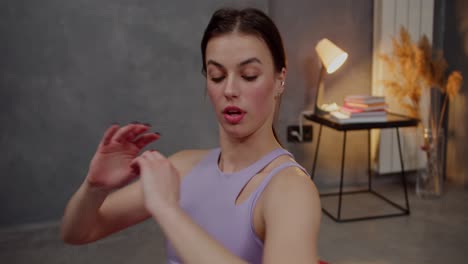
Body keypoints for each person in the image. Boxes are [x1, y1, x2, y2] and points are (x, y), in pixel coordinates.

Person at [61, 7, 321, 264]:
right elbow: (77, 233)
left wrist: (168, 210)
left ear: (279, 79)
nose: (229, 89)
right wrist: (94, 188)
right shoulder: (183, 167)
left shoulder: (290, 189)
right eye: (217, 76)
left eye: (248, 75)